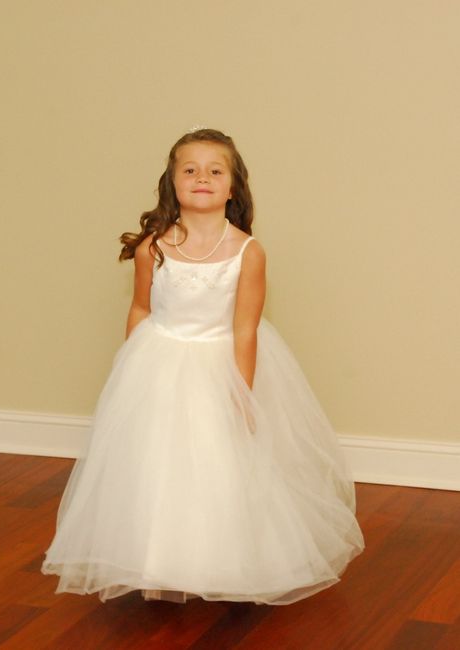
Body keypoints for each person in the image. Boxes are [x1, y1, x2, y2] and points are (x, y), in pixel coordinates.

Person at [41, 128, 364, 605]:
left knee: (217, 461)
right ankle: (157, 558)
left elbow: (245, 329)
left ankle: (221, 559)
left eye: (215, 171)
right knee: (156, 462)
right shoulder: (153, 247)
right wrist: (128, 371)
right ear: (172, 183)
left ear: (233, 187)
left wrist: (242, 392)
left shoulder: (247, 252)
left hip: (219, 365)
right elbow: (141, 309)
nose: (202, 178)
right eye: (190, 170)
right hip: (159, 363)